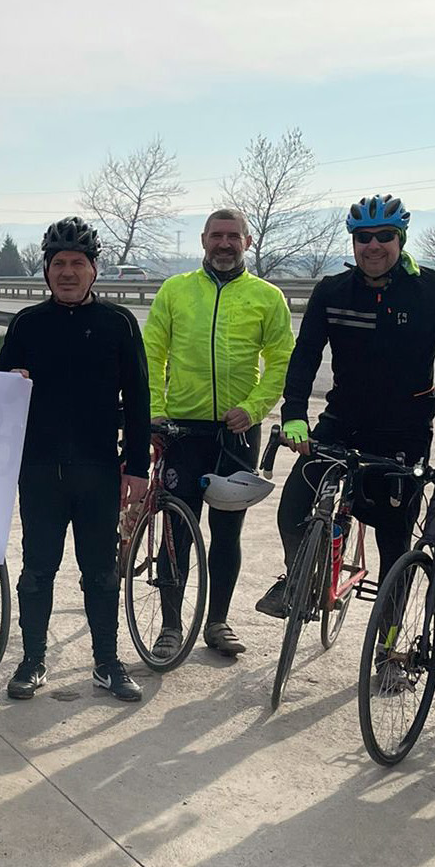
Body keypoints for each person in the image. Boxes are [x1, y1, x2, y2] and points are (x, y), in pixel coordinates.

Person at [256, 193, 435, 617]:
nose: (373, 246)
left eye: (385, 236)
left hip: (404, 429)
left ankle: (388, 645)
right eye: (364, 237)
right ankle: (302, 583)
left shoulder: (433, 291)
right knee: (294, 503)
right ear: (353, 242)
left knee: (393, 538)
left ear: (402, 239)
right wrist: (295, 414)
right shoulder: (333, 290)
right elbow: (305, 357)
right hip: (342, 420)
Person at [0, 217, 150, 702]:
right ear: (45, 271)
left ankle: (107, 663)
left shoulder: (119, 323)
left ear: (93, 269)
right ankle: (32, 661)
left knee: (101, 570)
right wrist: (4, 375)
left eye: (77, 263)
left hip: (100, 469)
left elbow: (141, 399)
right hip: (39, 468)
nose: (67, 271)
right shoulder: (26, 324)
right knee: (38, 568)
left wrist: (138, 467)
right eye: (58, 263)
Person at [143, 207, 294, 657]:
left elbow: (282, 360)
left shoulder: (267, 297)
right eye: (216, 236)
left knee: (227, 533)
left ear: (247, 242)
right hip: (182, 430)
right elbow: (153, 353)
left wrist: (253, 408)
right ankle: (172, 627)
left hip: (237, 433)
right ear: (203, 240)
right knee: (177, 530)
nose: (224, 244)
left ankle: (218, 622)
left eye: (233, 236)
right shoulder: (176, 290)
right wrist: (154, 412)